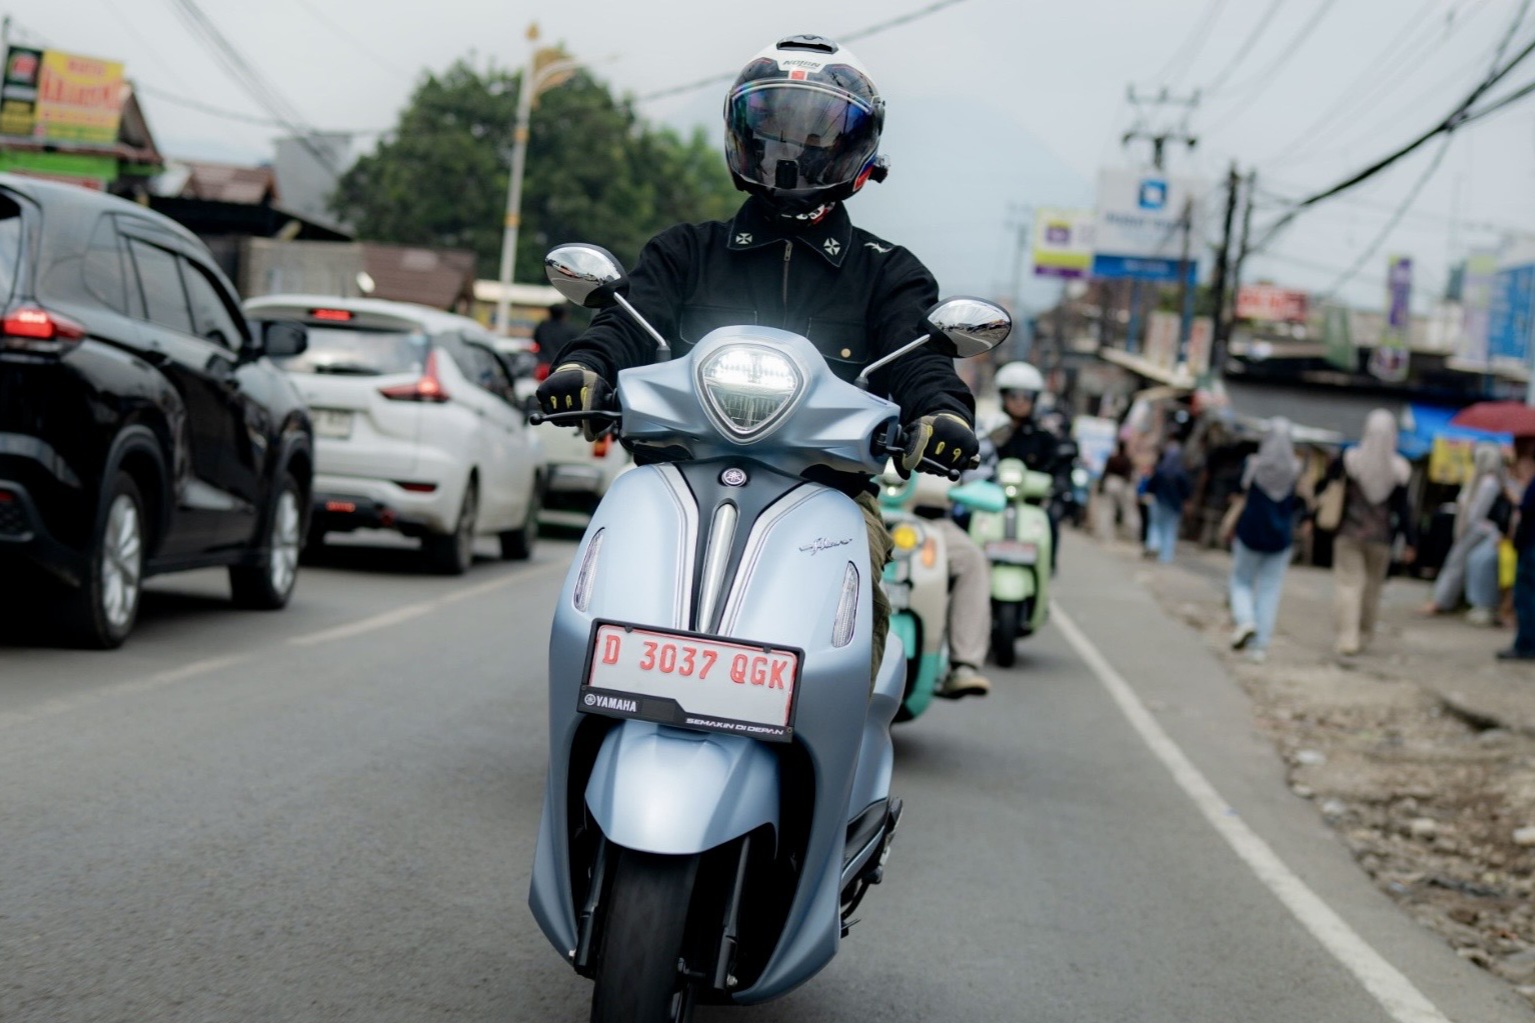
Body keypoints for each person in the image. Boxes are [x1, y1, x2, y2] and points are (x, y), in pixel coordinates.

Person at [535, 34, 989, 695]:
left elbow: (922, 363)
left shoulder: (887, 274)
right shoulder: (686, 252)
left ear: (857, 146)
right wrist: (584, 368)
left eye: (814, 130)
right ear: (742, 132)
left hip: (828, 492)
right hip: (674, 477)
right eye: (775, 125)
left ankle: (834, 750)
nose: (791, 147)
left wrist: (942, 413)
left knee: (854, 620)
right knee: (598, 583)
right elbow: (624, 323)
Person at [1321, 409, 1417, 658]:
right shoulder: (1400, 469)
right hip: (1381, 539)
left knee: (1348, 584)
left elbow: (1327, 486)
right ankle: (1364, 634)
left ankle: (1347, 637)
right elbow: (1403, 510)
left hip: (1349, 533)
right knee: (1372, 588)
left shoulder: (1349, 460)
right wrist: (1410, 541)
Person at [1225, 418, 1304, 664]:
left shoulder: (1253, 465)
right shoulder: (1296, 468)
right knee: (1270, 590)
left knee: (1241, 581)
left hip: (1251, 533)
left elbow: (1237, 491)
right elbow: (1300, 502)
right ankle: (1259, 647)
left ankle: (1245, 620)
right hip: (1280, 538)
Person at [987, 361, 1072, 568]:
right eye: (1013, 395)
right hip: (990, 501)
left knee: (1051, 521)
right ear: (1003, 396)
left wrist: (1059, 485)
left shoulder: (1043, 436)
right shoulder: (989, 430)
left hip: (1030, 504)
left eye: (1026, 396)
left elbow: (1058, 464)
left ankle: (1047, 566)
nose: (1020, 402)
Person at [1421, 442, 1508, 622]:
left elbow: (1477, 512)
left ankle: (1441, 601)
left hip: (1476, 530)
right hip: (1474, 528)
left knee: (1457, 564)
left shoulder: (1489, 483)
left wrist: (1465, 526)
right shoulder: (1485, 480)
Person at [1497, 437, 1535, 660]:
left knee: (1525, 595)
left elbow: (1527, 507)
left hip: (1530, 545)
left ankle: (1526, 644)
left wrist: (1517, 495)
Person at [1144, 439, 1192, 564]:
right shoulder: (1181, 474)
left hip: (1158, 503)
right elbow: (1186, 493)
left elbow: (1151, 487)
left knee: (1155, 525)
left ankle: (1153, 546)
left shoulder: (1160, 470)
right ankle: (1165, 556)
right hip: (1173, 506)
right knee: (1169, 530)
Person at [1095, 440, 1141, 542]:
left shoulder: (1114, 458)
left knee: (1108, 510)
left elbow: (1105, 473)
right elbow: (1128, 475)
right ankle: (1129, 535)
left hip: (1112, 483)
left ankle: (1105, 534)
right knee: (1125, 510)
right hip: (1121, 484)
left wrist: (1101, 486)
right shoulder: (1125, 459)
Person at [531, 303, 578, 374]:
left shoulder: (543, 326)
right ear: (564, 314)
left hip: (544, 364)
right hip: (563, 365)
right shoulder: (570, 329)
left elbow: (536, 340)